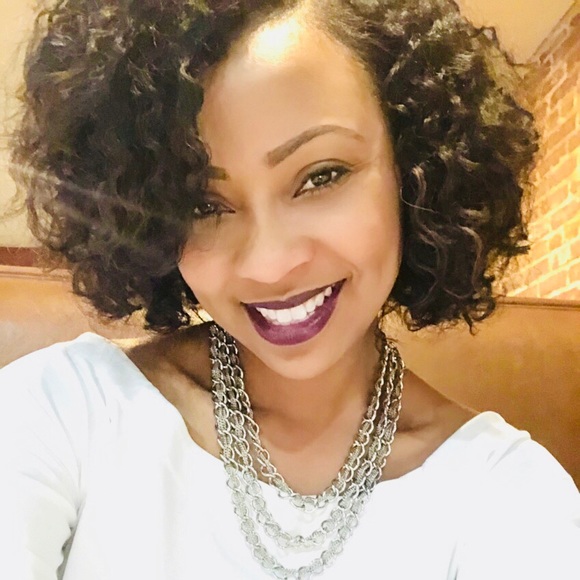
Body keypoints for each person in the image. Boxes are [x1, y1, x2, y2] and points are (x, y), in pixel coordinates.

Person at [1, 0, 578, 578]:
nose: (270, 265)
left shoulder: (508, 494)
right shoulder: (63, 410)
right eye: (204, 205)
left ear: (413, 167)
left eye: (321, 176)